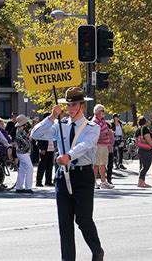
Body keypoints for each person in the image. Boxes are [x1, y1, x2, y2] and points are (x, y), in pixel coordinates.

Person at [31, 87, 104, 260]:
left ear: (82, 106)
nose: (70, 108)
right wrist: (51, 117)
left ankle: (97, 251)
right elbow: (36, 134)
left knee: (83, 220)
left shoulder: (92, 127)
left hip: (82, 176)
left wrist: (69, 156)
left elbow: (86, 144)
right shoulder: (60, 125)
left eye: (73, 105)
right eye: (68, 105)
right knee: (65, 223)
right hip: (63, 176)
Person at [92, 105, 114, 189]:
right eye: (102, 111)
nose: (103, 113)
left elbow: (105, 129)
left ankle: (103, 182)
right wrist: (107, 134)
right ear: (97, 112)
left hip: (104, 145)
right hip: (98, 145)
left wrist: (109, 132)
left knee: (103, 164)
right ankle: (94, 182)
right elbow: (96, 134)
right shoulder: (95, 121)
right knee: (96, 164)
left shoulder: (102, 120)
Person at [14, 115, 34, 193]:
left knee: (22, 169)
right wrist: (29, 139)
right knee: (30, 168)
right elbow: (25, 143)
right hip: (23, 152)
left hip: (21, 152)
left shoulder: (20, 131)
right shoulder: (20, 132)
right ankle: (28, 187)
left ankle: (19, 187)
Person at [35, 112, 55, 187]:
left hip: (51, 148)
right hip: (44, 148)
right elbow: (39, 138)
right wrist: (41, 148)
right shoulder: (42, 126)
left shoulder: (53, 125)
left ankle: (48, 181)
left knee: (50, 165)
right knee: (42, 165)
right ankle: (38, 181)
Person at [135, 116, 152, 188]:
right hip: (146, 150)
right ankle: (140, 182)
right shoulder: (145, 129)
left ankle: (142, 182)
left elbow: (136, 141)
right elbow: (148, 139)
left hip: (140, 149)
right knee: (146, 166)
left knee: (142, 166)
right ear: (145, 122)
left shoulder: (138, 129)